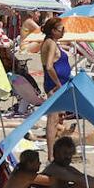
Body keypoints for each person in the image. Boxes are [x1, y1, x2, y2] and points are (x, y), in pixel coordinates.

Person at [39, 17, 72, 155]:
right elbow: (49, 66)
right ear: (53, 31)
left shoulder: (51, 42)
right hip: (54, 86)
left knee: (57, 119)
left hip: (57, 85)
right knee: (52, 121)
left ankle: (55, 153)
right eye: (61, 29)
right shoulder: (51, 43)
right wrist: (58, 84)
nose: (63, 31)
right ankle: (51, 156)